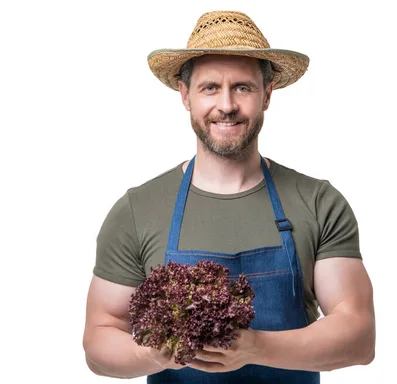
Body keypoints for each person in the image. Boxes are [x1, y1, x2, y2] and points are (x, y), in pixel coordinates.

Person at [83, 10, 375, 383]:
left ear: (267, 94)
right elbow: (99, 341)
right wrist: (157, 352)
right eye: (209, 88)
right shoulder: (138, 210)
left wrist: (255, 347)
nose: (226, 105)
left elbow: (359, 338)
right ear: (185, 94)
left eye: (242, 87)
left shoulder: (318, 203)